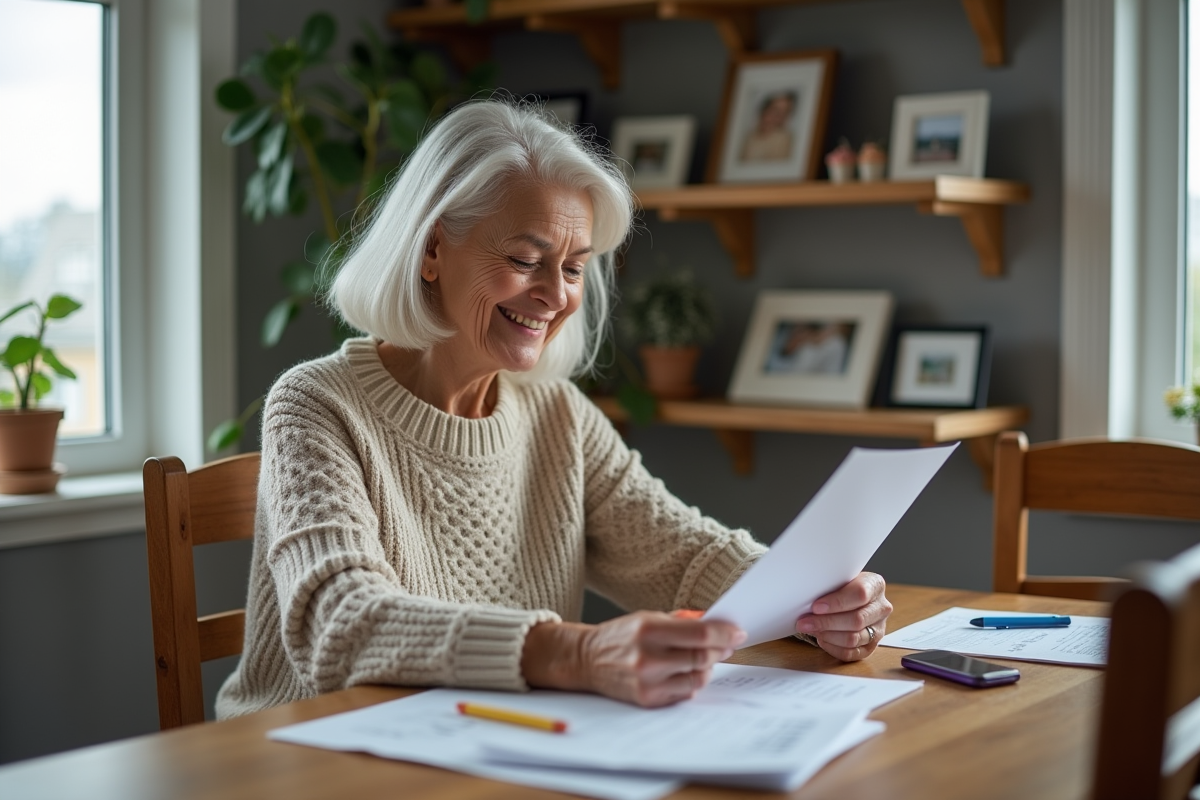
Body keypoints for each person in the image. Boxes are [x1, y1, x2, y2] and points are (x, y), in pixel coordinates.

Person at [216, 100, 892, 719]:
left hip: (484, 747)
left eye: (572, 268)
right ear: (431, 251)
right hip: (310, 757)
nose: (555, 295)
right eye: (524, 259)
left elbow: (680, 554)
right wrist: (577, 653)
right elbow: (342, 624)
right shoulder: (316, 405)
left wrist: (813, 602)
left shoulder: (555, 415)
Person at [739, 91, 797, 163]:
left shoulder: (784, 139)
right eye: (776, 110)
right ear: (764, 110)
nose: (780, 117)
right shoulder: (748, 137)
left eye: (786, 112)